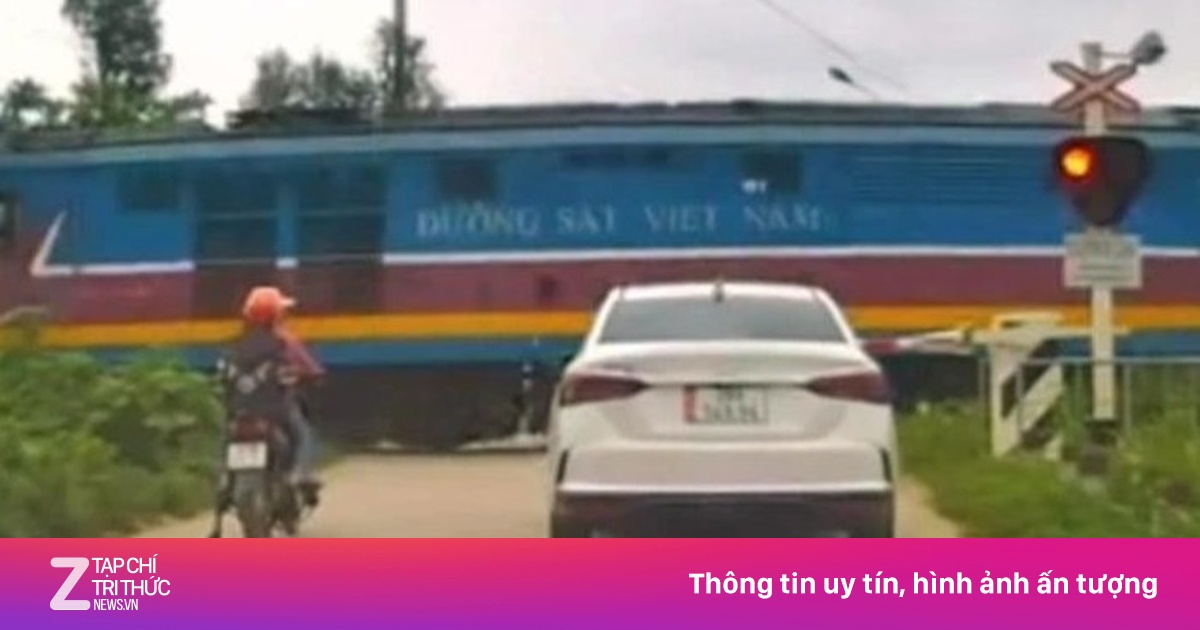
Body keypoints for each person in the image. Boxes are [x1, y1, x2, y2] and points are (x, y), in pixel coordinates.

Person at [217, 286, 324, 508]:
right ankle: (301, 474)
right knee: (304, 434)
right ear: (276, 315)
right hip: (275, 409)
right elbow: (311, 371)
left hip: (240, 410)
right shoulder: (284, 342)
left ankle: (224, 479)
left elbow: (224, 374)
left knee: (226, 436)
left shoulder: (236, 344)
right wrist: (310, 376)